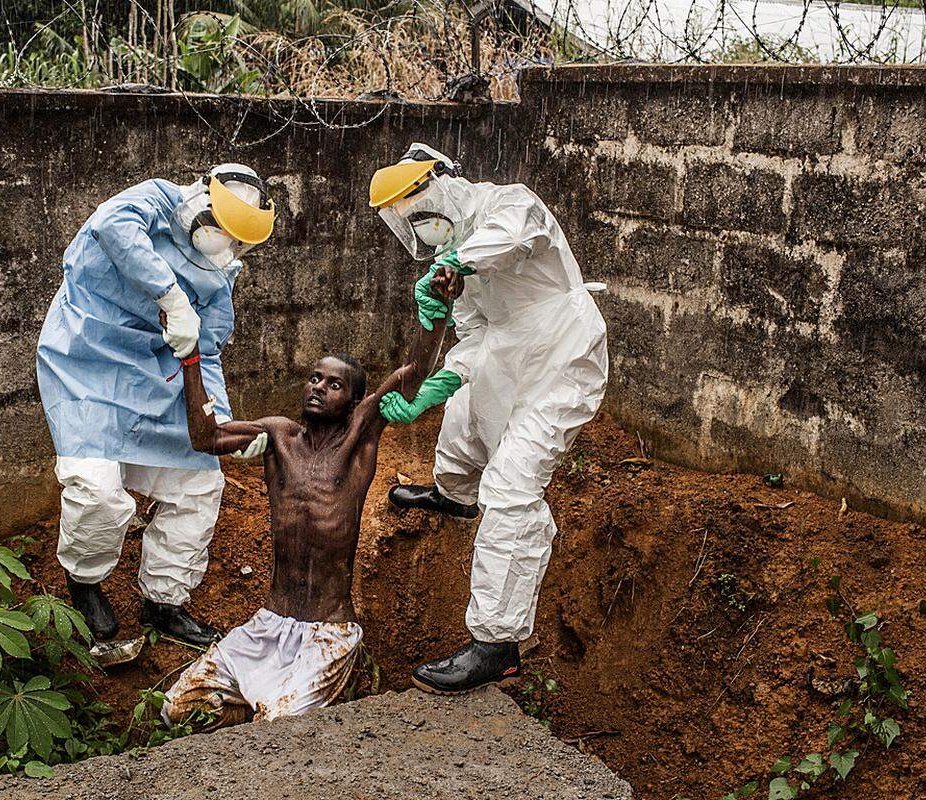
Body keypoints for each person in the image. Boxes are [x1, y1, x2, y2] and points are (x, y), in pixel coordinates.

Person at [159, 269, 459, 726]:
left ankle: (294, 702)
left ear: (356, 399)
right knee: (178, 708)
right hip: (269, 624)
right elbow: (205, 436)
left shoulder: (359, 439)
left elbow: (413, 373)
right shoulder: (279, 436)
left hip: (327, 632)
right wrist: (190, 357)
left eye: (333, 383)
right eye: (314, 378)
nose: (318, 386)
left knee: (278, 727)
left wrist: (436, 311)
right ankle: (251, 706)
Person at [369, 142, 609, 694]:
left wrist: (457, 263)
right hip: (505, 353)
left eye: (422, 211)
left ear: (446, 184)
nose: (423, 228)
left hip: (563, 356)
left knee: (512, 487)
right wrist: (435, 388)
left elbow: (510, 236)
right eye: (409, 223)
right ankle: (453, 495)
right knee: (463, 418)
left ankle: (497, 645)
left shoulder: (510, 205)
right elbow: (475, 337)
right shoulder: (454, 263)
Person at [35, 164, 277, 647]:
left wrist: (220, 420)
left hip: (153, 376)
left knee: (199, 486)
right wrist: (171, 297)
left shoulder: (219, 272)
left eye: (235, 239)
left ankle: (164, 601)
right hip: (85, 361)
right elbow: (112, 228)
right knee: (97, 492)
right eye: (220, 227)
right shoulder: (153, 200)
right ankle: (84, 585)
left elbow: (205, 352)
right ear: (203, 203)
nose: (222, 242)